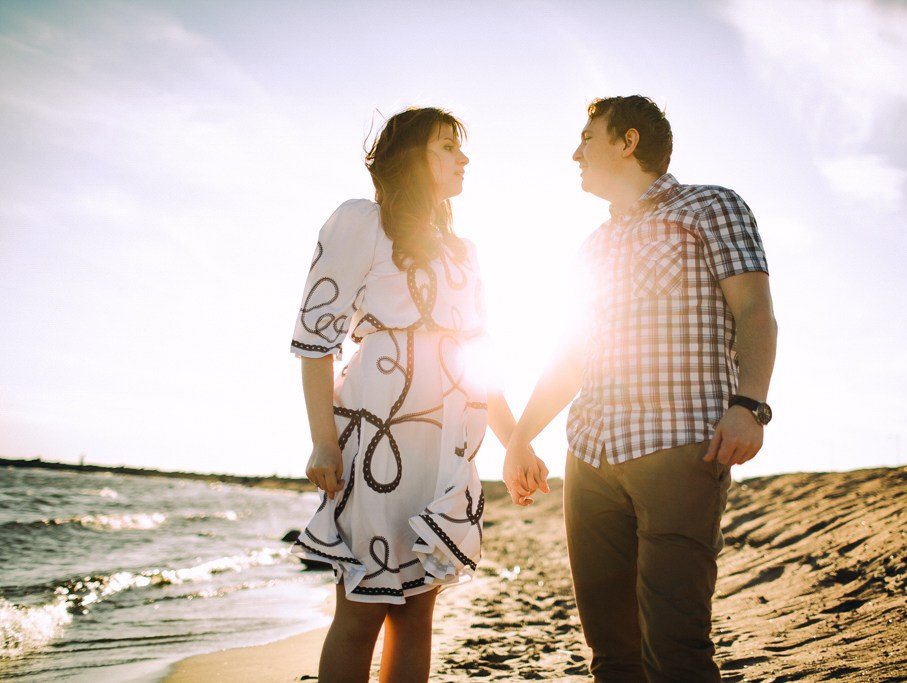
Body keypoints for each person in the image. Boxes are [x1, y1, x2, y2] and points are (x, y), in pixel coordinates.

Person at [504, 95, 778, 682]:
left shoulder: (710, 207)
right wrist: (521, 436)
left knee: (675, 647)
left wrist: (750, 406)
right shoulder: (593, 247)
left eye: (588, 137)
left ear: (628, 142)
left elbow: (756, 311)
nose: (575, 152)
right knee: (611, 655)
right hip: (590, 457)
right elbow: (571, 355)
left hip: (679, 448)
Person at [289, 107, 541, 683]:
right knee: (361, 610)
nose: (463, 158)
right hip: (376, 441)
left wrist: (515, 443)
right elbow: (315, 340)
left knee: (418, 613)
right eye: (448, 146)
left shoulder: (464, 253)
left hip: (447, 449)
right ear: (412, 158)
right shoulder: (361, 222)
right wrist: (322, 444)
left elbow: (479, 359)